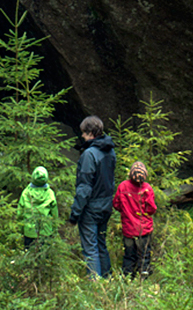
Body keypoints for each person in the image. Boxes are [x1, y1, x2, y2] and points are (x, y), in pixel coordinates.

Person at [69, 115, 116, 279]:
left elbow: (85, 187)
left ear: (90, 133)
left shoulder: (89, 155)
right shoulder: (110, 151)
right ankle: (107, 281)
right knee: (101, 245)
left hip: (91, 209)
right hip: (106, 206)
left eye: (83, 133)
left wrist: (75, 213)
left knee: (90, 248)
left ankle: (95, 288)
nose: (82, 136)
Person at [113, 161, 157, 278]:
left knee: (129, 254)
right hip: (144, 228)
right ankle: (143, 276)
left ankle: (127, 276)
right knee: (144, 254)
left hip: (128, 229)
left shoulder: (123, 186)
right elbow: (152, 208)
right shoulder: (147, 188)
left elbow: (116, 204)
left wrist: (126, 212)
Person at [17, 166, 58, 249]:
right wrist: (54, 230)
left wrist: (21, 229)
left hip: (29, 231)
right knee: (44, 257)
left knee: (28, 256)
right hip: (46, 231)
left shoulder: (26, 193)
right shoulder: (50, 193)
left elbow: (20, 213)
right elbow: (54, 215)